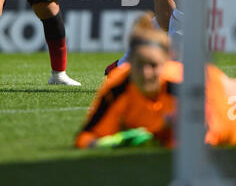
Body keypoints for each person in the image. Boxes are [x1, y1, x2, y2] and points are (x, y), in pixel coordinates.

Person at [75, 12, 236, 149]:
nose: (146, 73)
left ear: (167, 62)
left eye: (153, 65)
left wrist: (157, 133)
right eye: (139, 65)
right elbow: (87, 137)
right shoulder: (118, 85)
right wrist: (112, 142)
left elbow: (208, 138)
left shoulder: (187, 84)